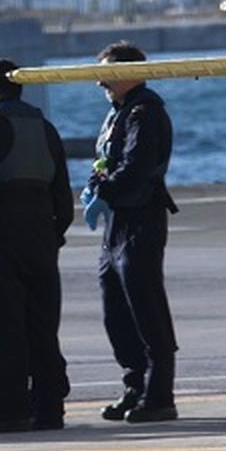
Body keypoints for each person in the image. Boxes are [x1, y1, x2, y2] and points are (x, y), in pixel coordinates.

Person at [0, 59, 73, 433]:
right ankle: (50, 406)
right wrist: (54, 234)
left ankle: (9, 407)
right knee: (41, 321)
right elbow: (63, 190)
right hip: (40, 230)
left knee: (0, 320)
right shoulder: (44, 126)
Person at [87, 41, 181, 424]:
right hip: (117, 221)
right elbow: (109, 163)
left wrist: (102, 190)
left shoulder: (145, 112)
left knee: (145, 305)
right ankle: (134, 386)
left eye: (108, 74)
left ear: (132, 73)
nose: (100, 83)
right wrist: (98, 184)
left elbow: (136, 166)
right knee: (116, 308)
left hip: (140, 216)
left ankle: (160, 394)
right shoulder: (119, 113)